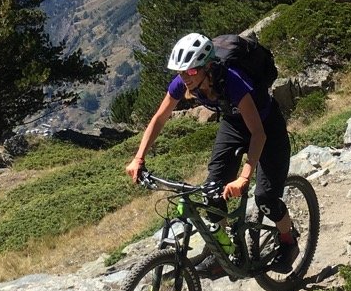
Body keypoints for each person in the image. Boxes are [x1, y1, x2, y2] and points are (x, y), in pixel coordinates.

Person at [125, 32, 298, 274]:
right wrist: (138, 158)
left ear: (208, 66)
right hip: (234, 124)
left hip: (266, 125)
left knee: (265, 199)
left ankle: (288, 240)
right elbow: (159, 119)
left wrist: (244, 177)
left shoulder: (233, 81)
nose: (185, 77)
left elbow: (258, 133)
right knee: (211, 192)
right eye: (180, 72)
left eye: (191, 71)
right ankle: (223, 251)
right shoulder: (183, 83)